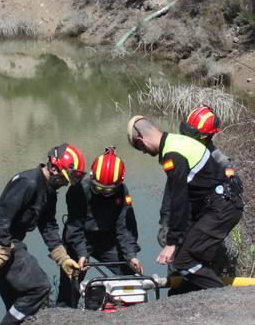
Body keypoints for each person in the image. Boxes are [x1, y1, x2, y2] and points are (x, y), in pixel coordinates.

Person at [127, 114, 243, 294]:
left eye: (140, 149)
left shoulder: (172, 154)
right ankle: (197, 297)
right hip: (219, 206)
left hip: (221, 208)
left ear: (141, 140)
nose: (144, 153)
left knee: (183, 261)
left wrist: (171, 242)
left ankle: (223, 297)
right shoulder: (176, 142)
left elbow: (179, 199)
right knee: (187, 259)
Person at [0, 144, 85, 325]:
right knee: (40, 286)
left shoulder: (48, 191)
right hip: (1, 240)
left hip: (10, 242)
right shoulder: (28, 183)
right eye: (66, 178)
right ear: (54, 168)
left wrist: (62, 258)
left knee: (18, 300)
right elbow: (1, 216)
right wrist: (2, 248)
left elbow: (47, 226)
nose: (66, 184)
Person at [159, 105, 242, 276]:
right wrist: (166, 222)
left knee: (210, 261)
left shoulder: (221, 162)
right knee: (177, 269)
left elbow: (227, 206)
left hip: (207, 222)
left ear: (205, 136)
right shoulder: (180, 153)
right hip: (184, 220)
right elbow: (172, 193)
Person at [56, 147, 143, 308]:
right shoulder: (78, 190)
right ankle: (64, 315)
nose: (105, 194)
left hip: (107, 241)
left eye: (110, 191)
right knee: (70, 286)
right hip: (80, 239)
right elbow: (74, 227)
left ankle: (131, 313)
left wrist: (131, 255)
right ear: (91, 177)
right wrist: (82, 253)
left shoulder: (122, 192)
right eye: (99, 189)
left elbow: (125, 225)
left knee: (129, 276)